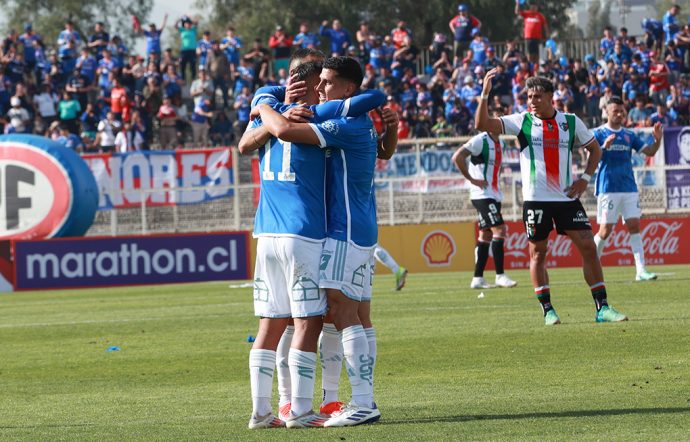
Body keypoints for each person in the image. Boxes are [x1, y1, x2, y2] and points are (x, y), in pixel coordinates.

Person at [253, 56, 383, 427]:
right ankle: (340, 400)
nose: (322, 88)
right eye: (320, 81)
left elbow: (283, 131)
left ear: (347, 89)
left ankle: (360, 403)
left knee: (337, 313)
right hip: (356, 227)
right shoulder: (354, 118)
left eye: (328, 82)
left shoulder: (343, 122)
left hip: (343, 229)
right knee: (350, 313)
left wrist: (264, 105)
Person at [476, 68, 628, 325]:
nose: (532, 101)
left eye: (537, 96)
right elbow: (483, 124)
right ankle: (548, 310)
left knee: (589, 247)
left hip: (567, 199)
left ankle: (602, 308)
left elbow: (595, 150)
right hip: (536, 201)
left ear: (550, 97)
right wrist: (484, 95)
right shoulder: (522, 121)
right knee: (538, 253)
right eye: (529, 96)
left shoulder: (570, 122)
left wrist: (585, 179)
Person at [592, 97, 662, 281]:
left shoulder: (629, 135)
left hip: (629, 187)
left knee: (634, 226)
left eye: (621, 111)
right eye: (615, 110)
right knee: (605, 230)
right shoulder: (598, 133)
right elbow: (591, 157)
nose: (619, 114)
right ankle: (592, 263)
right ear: (607, 112)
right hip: (607, 187)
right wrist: (603, 147)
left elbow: (651, 152)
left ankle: (641, 270)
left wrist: (657, 140)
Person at [452, 129, 518, 290]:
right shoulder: (480, 140)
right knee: (500, 230)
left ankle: (477, 278)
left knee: (486, 234)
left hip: (494, 194)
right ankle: (500, 275)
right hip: (481, 194)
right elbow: (458, 157)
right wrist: (471, 179)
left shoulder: (501, 143)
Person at [515, 0, 548, 64]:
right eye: (532, 6)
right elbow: (517, 12)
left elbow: (545, 26)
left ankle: (536, 69)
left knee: (537, 55)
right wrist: (517, 3)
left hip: (537, 38)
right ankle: (530, 68)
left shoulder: (540, 16)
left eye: (535, 6)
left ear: (537, 7)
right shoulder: (527, 13)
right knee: (529, 55)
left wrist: (547, 36)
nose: (533, 8)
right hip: (528, 38)